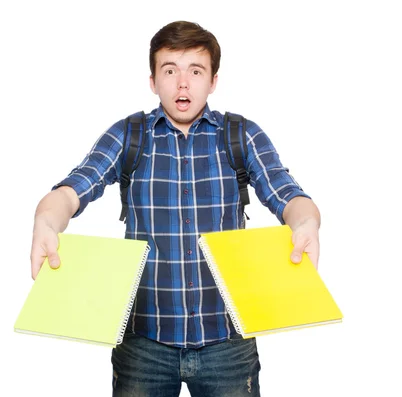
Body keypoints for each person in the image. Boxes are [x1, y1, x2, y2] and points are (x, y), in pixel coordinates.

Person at [30, 20, 321, 397]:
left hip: (227, 343)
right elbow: (72, 191)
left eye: (195, 71)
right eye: (170, 70)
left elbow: (288, 195)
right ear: (153, 81)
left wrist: (307, 223)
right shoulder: (128, 135)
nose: (183, 83)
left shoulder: (241, 135)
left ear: (213, 80)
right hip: (143, 345)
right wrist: (45, 221)